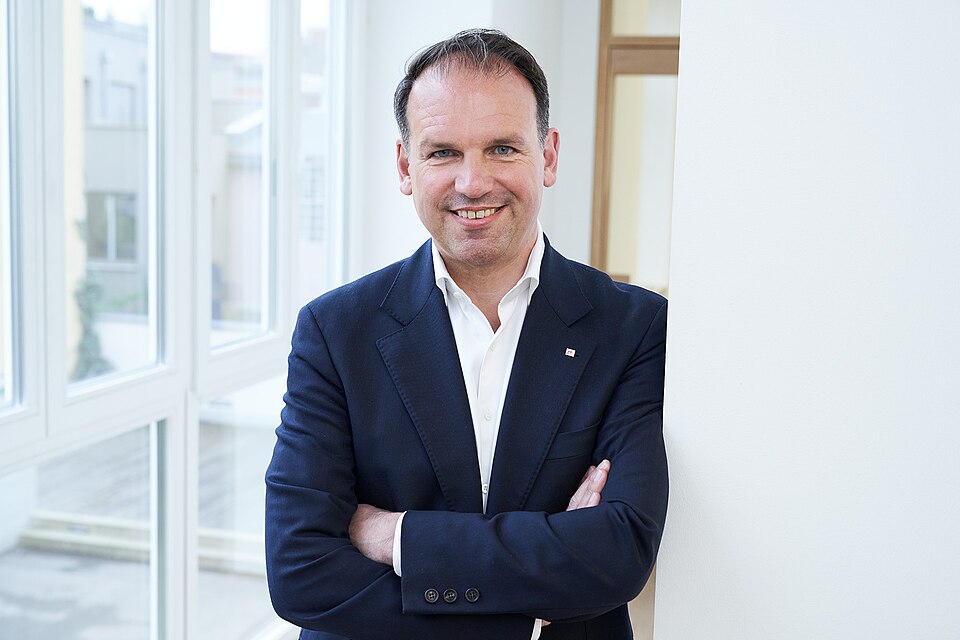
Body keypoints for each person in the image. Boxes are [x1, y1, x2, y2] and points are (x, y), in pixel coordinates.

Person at [265, 28, 668, 640]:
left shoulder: (633, 327)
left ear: (548, 156)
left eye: (503, 148)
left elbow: (619, 553)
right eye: (443, 153)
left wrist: (396, 536)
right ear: (406, 166)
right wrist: (525, 610)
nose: (473, 183)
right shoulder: (334, 332)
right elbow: (301, 570)